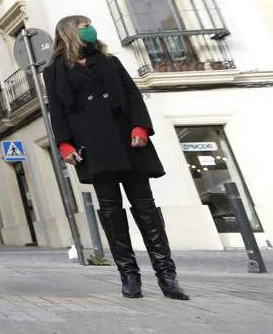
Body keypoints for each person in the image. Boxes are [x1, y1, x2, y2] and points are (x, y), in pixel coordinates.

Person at [44, 15, 189, 301]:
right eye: (84, 27)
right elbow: (57, 111)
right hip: (92, 146)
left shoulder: (109, 61)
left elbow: (133, 95)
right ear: (70, 32)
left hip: (128, 141)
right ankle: (129, 276)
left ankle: (167, 276)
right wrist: (63, 145)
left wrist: (140, 127)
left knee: (146, 209)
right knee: (111, 211)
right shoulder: (54, 71)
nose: (91, 30)